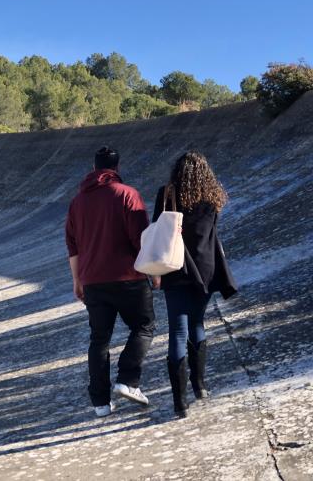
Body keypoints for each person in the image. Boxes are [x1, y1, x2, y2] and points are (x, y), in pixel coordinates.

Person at [65, 146, 156, 418]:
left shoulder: (77, 202)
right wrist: (154, 272)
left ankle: (100, 404)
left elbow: (73, 246)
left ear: (94, 169)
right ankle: (128, 381)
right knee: (144, 326)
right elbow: (141, 239)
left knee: (99, 339)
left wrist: (77, 280)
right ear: (116, 168)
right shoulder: (128, 195)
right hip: (128, 277)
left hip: (92, 280)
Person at [152, 152, 237, 418]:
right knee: (197, 325)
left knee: (177, 331)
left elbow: (156, 230)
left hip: (175, 268)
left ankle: (180, 403)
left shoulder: (166, 195)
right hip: (205, 270)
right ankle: (200, 387)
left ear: (177, 171)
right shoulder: (212, 199)